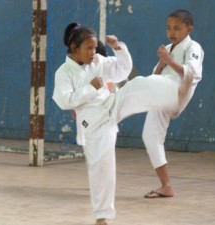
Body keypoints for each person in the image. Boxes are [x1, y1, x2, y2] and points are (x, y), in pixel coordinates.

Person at [52, 22, 192, 225]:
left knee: (138, 84)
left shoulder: (98, 61)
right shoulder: (64, 72)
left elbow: (123, 71)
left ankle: (175, 93)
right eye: (88, 48)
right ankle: (102, 217)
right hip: (94, 122)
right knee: (103, 169)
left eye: (94, 47)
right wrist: (90, 89)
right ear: (74, 48)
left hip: (111, 104)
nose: (93, 52)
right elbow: (65, 101)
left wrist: (118, 48)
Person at [143, 9, 204, 198]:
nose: (172, 32)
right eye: (169, 28)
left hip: (176, 92)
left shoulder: (193, 47)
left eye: (177, 28)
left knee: (133, 87)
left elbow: (191, 73)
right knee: (149, 137)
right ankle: (166, 185)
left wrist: (169, 60)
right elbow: (155, 75)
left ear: (189, 29)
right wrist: (162, 62)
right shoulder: (168, 48)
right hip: (162, 94)